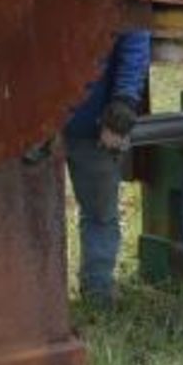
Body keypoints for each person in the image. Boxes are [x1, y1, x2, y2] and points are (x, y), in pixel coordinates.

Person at [62, 29, 151, 304]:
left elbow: (134, 41)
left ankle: (97, 293)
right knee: (33, 215)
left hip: (93, 123)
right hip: (36, 126)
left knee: (100, 212)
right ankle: (39, 297)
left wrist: (123, 103)